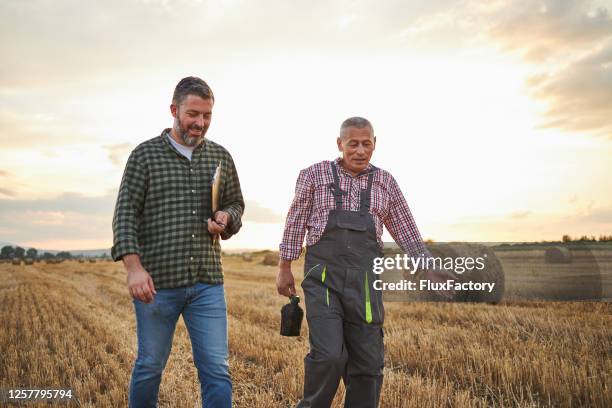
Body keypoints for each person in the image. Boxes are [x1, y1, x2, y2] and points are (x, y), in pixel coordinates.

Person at [277, 117, 452, 408]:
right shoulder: (314, 175)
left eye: (366, 144)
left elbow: (405, 226)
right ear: (340, 144)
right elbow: (295, 222)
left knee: (368, 366)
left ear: (375, 144)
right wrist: (284, 267)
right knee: (329, 356)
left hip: (366, 285)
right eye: (352, 144)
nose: (359, 150)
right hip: (323, 280)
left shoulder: (385, 181)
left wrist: (427, 265)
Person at [112, 76, 244, 408]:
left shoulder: (220, 157)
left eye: (207, 116)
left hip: (207, 282)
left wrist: (227, 218)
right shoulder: (144, 156)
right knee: (149, 367)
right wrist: (133, 269)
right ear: (174, 109)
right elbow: (125, 214)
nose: (200, 123)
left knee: (216, 370)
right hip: (157, 284)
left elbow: (235, 204)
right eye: (193, 114)